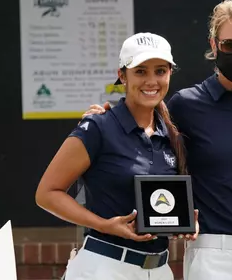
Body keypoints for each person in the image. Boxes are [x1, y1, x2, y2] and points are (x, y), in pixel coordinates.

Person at [82, 0, 232, 280]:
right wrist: (101, 117)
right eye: (231, 45)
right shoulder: (184, 105)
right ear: (214, 44)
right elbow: (139, 126)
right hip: (213, 255)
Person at [35, 32, 198, 280]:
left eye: (160, 71)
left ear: (170, 74)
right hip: (104, 266)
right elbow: (47, 194)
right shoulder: (98, 127)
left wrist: (183, 223)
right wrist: (103, 224)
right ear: (122, 75)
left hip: (160, 270)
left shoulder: (172, 134)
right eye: (140, 71)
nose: (151, 80)